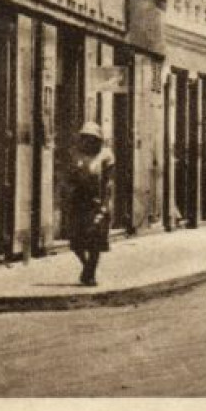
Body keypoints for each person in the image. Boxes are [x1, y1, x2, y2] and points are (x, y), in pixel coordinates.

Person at [66, 121, 115, 287]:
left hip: (97, 200)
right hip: (78, 200)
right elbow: (69, 178)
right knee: (76, 241)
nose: (88, 141)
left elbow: (108, 182)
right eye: (85, 138)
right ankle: (87, 267)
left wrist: (105, 204)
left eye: (92, 138)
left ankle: (90, 272)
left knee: (95, 240)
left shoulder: (105, 155)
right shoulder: (75, 154)